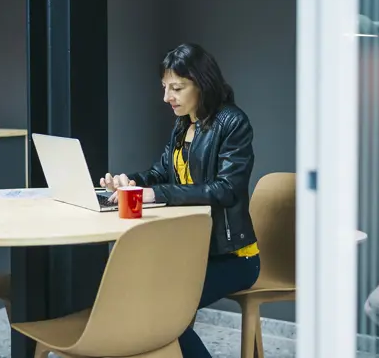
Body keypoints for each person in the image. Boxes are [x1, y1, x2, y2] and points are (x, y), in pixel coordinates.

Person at [100, 43, 260, 358]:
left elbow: (225, 189)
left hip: (233, 257)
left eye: (176, 88)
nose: (167, 97)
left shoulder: (233, 123)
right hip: (191, 251)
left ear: (202, 84)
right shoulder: (183, 124)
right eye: (164, 88)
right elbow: (160, 172)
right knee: (144, 300)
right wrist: (130, 182)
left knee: (165, 310)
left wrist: (157, 194)